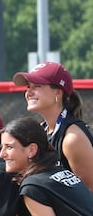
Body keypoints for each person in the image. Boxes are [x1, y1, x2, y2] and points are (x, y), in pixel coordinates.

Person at [13, 62, 93, 190]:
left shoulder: (72, 138)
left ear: (58, 93)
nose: (29, 92)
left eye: (37, 86)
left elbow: (89, 193)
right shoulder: (42, 130)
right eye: (28, 86)